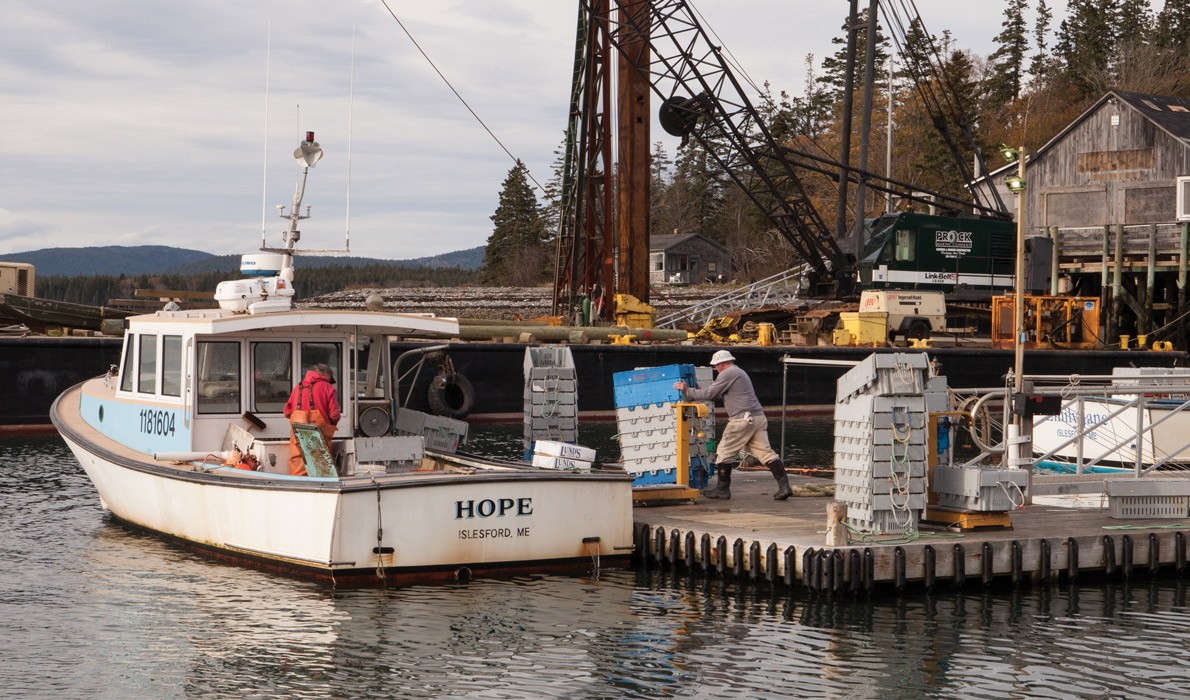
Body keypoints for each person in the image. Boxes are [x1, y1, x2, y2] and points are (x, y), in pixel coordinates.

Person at [673, 349, 791, 500]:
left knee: (723, 453)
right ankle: (784, 486)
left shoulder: (728, 373)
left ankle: (722, 490)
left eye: (716, 366)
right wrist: (696, 390)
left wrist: (686, 390)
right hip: (757, 417)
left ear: (722, 364)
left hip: (741, 419)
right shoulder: (738, 372)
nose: (715, 369)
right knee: (765, 453)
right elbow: (714, 393)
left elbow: (709, 395)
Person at [283, 363, 341, 476]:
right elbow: (335, 415)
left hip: (297, 427)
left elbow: (287, 411)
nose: (329, 381)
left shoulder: (297, 387)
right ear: (325, 374)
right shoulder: (328, 387)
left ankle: (297, 486)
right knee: (321, 465)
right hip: (319, 430)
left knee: (298, 460)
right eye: (330, 378)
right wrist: (331, 425)